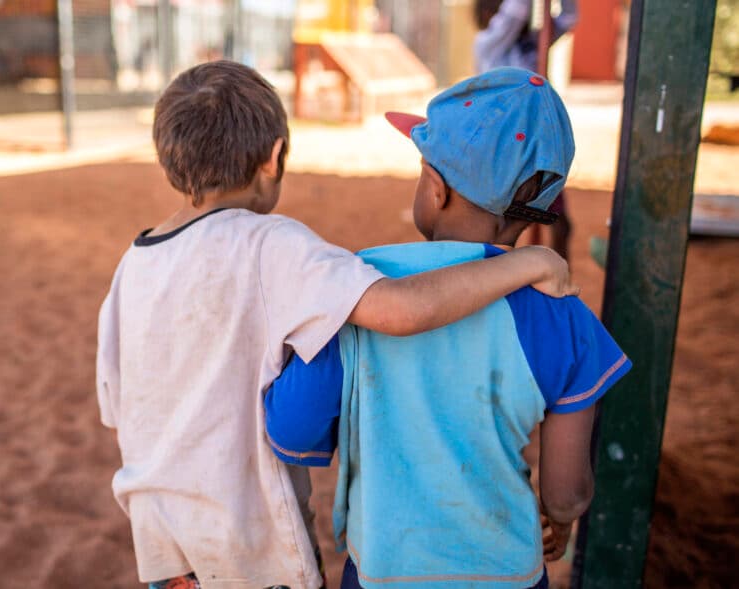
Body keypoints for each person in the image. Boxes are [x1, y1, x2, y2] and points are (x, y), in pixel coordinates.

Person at [96, 61, 578, 589]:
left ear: (169, 158)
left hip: (164, 544)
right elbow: (398, 312)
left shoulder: (132, 265)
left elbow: (118, 403)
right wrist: (524, 263)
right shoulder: (273, 244)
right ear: (274, 158)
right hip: (251, 543)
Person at [265, 67, 632, 589]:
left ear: (435, 189)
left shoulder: (356, 294)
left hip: (383, 576)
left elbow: (292, 428)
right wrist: (563, 520)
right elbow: (566, 491)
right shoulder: (559, 309)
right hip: (510, 575)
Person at [474, 0, 577, 260]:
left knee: (559, 224)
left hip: (537, 151)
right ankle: (501, 282)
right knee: (505, 229)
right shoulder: (489, 45)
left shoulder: (531, 44)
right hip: (507, 152)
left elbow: (569, 17)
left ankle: (558, 288)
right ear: (489, 15)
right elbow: (516, 11)